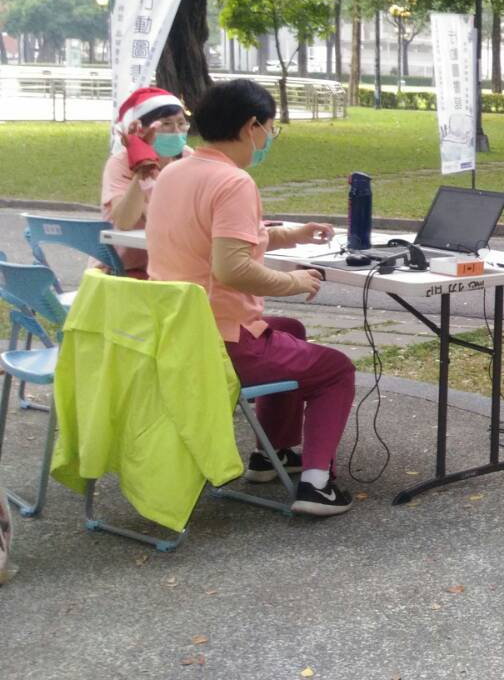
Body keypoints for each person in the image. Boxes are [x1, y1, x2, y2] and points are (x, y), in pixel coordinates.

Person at [146, 79, 357, 517]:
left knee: (291, 331)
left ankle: (271, 453)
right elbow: (232, 268)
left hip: (175, 332)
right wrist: (296, 283)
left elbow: (225, 239)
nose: (269, 138)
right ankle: (317, 485)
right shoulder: (233, 181)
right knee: (335, 368)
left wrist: (291, 235)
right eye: (271, 128)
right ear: (252, 126)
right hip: (220, 341)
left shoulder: (175, 172)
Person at [101, 87, 192, 277]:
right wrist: (142, 168)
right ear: (142, 129)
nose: (176, 131)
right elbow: (124, 221)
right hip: (125, 270)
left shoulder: (188, 158)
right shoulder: (120, 163)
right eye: (166, 124)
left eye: (181, 123)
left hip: (178, 264)